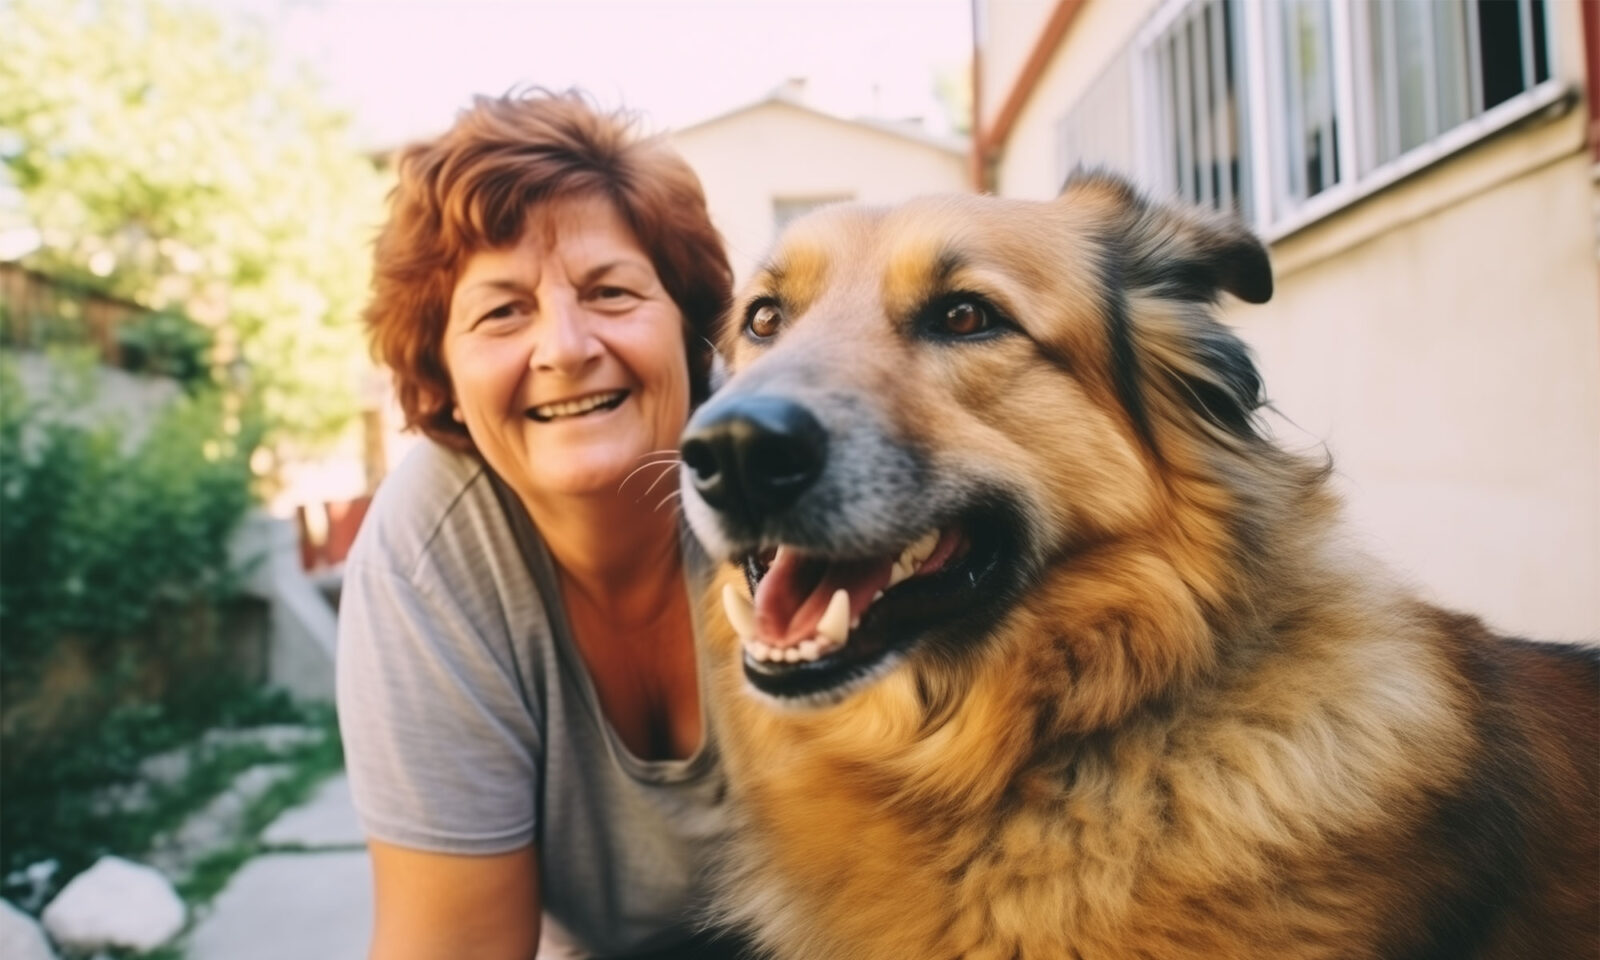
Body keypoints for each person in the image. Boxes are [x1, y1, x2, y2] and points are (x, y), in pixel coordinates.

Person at [336, 89, 741, 959]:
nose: (564, 346)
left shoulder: (776, 473)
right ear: (441, 376)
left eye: (611, 291)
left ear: (690, 328)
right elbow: (453, 945)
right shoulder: (426, 559)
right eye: (501, 312)